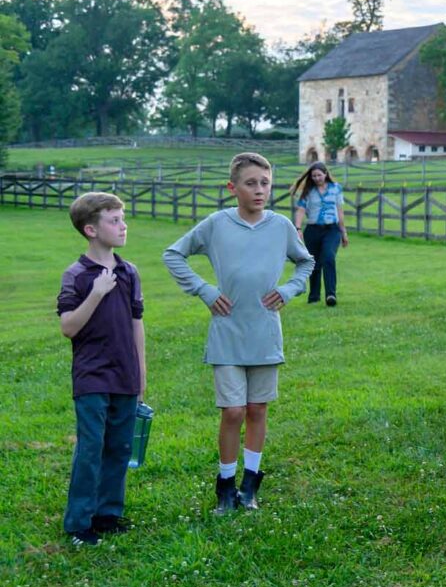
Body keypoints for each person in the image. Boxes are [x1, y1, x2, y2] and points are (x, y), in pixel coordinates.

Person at [163, 152, 314, 515]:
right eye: (251, 183)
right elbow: (174, 254)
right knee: (233, 411)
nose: (260, 190)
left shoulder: (280, 226)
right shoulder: (216, 224)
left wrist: (290, 289)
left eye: (265, 183)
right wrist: (206, 290)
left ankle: (250, 486)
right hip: (227, 331)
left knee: (257, 409)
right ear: (233, 188)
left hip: (264, 331)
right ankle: (225, 487)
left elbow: (306, 261)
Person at [57, 192, 147, 547]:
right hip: (92, 376)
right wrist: (96, 293)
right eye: (114, 220)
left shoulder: (130, 271)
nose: (123, 225)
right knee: (91, 447)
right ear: (91, 229)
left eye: (123, 219)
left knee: (120, 446)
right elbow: (68, 327)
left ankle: (107, 514)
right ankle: (79, 523)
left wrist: (141, 372)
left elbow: (137, 324)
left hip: (125, 374)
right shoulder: (76, 275)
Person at [291, 161, 347, 307]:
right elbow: (301, 210)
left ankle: (331, 294)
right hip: (313, 230)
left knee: (328, 257)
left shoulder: (336, 189)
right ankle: (314, 297)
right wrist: (297, 228)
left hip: (332, 230)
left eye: (319, 175)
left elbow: (340, 211)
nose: (316, 178)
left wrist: (343, 232)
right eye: (314, 176)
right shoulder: (308, 192)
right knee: (314, 264)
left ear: (325, 174)